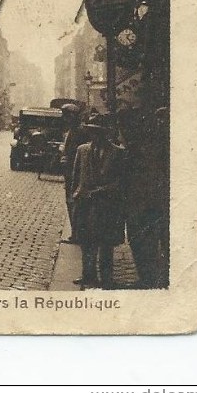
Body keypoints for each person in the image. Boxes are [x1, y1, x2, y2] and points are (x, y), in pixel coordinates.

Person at [70, 115, 126, 289]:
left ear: (105, 134)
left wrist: (102, 191)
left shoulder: (117, 152)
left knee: (106, 244)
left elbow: (120, 181)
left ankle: (107, 278)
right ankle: (88, 275)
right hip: (85, 204)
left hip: (105, 205)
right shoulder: (82, 150)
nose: (95, 136)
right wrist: (75, 196)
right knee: (85, 242)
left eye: (98, 132)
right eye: (92, 132)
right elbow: (76, 176)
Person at [120, 106, 170, 289]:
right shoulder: (138, 145)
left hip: (145, 204)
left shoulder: (142, 147)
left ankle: (150, 279)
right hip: (139, 204)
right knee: (139, 242)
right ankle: (148, 278)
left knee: (145, 243)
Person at [59, 103, 89, 240]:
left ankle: (77, 233)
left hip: (75, 171)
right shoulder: (72, 130)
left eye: (67, 116)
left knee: (74, 201)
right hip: (70, 170)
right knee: (71, 201)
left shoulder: (80, 131)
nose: (64, 120)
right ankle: (75, 231)